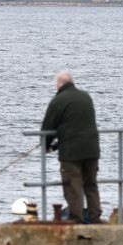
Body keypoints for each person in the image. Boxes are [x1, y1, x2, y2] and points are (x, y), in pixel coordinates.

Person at [40, 70, 102, 223]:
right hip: (91, 149)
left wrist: (46, 147)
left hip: (71, 153)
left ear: (59, 84)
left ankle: (77, 219)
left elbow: (47, 128)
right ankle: (95, 218)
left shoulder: (58, 100)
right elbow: (76, 125)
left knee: (72, 186)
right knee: (91, 185)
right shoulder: (86, 96)